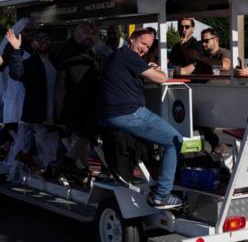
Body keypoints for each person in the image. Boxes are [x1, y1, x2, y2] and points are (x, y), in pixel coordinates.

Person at [99, 29, 183, 209]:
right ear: (131, 39)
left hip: (110, 115)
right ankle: (162, 195)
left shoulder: (117, 56)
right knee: (174, 140)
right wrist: (156, 70)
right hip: (128, 113)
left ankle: (153, 179)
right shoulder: (128, 55)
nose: (144, 49)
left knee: (157, 141)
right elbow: (161, 79)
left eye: (148, 46)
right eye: (143, 43)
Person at [5, 28, 59, 171]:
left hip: (54, 111)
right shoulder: (30, 63)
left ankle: (48, 168)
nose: (43, 42)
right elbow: (16, 74)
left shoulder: (55, 60)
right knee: (43, 145)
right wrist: (16, 50)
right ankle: (44, 169)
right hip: (38, 112)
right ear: (33, 44)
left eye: (46, 38)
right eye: (38, 39)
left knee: (52, 144)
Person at [54, 21, 104, 177]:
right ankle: (68, 162)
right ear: (75, 33)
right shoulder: (73, 53)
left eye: (93, 33)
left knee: (87, 136)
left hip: (79, 106)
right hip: (71, 108)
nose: (90, 35)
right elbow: (84, 80)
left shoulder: (85, 51)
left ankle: (82, 168)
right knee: (91, 131)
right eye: (86, 31)